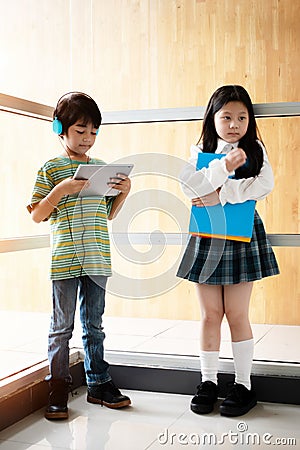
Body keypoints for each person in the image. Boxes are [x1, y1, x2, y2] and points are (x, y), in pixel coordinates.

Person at [27, 92, 131, 420]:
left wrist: (124, 192)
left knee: (94, 325)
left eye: (93, 132)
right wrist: (60, 191)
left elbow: (109, 215)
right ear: (60, 128)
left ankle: (98, 383)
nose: (87, 138)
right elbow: (36, 215)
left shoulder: (102, 169)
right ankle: (57, 387)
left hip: (98, 257)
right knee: (61, 327)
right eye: (80, 130)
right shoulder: (51, 168)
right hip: (64, 260)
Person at [177, 85, 279, 417]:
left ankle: (244, 384)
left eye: (241, 117)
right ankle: (208, 382)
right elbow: (190, 186)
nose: (234, 124)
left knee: (237, 314)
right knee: (209, 315)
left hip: (240, 233)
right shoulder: (200, 149)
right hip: (207, 234)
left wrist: (221, 192)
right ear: (213, 118)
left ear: (249, 120)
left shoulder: (257, 150)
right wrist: (222, 168)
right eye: (226, 117)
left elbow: (264, 185)